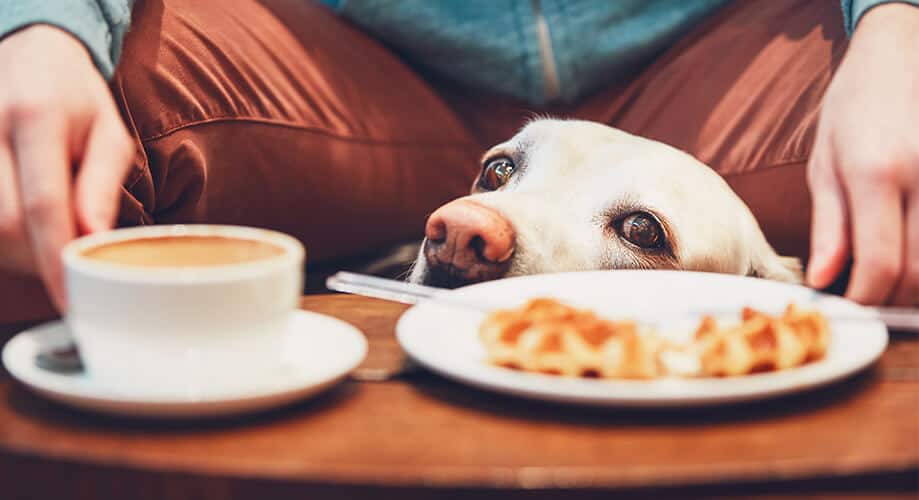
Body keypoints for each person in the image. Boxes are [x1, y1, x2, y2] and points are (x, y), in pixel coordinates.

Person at [0, 0, 916, 325]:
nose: (471, 223)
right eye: (497, 182)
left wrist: (899, 21)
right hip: (351, 60)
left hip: (719, 56)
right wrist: (39, 24)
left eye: (637, 229)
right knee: (51, 115)